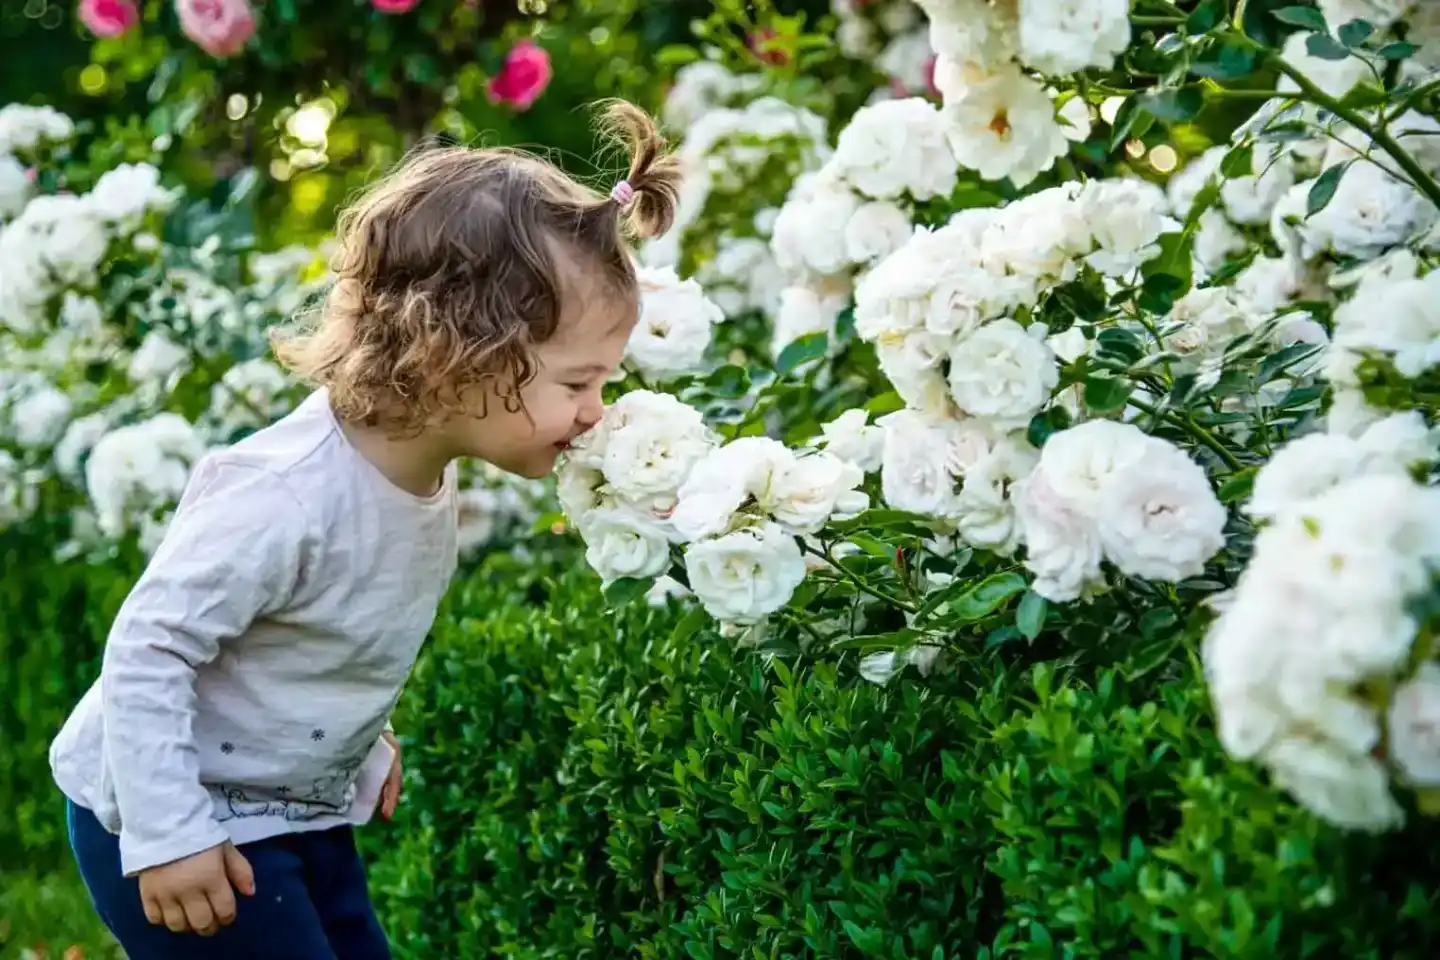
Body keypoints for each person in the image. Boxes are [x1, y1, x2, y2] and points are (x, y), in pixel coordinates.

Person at [49, 99, 680, 958]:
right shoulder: (286, 494)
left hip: (289, 804)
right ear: (459, 352)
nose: (593, 412)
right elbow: (148, 651)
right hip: (173, 813)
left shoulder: (420, 469)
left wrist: (353, 733)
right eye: (577, 384)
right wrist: (169, 836)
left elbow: (321, 624)